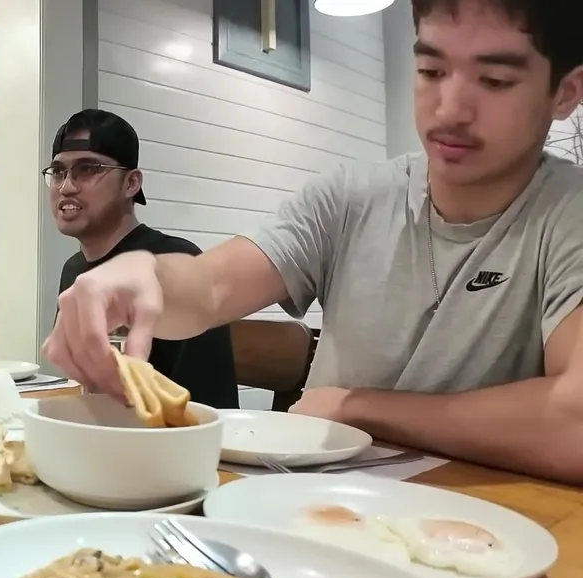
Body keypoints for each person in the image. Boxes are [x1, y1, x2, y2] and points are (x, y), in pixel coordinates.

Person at [44, 0, 583, 484]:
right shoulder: (350, 197)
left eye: (494, 80)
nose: (449, 109)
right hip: (314, 508)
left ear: (565, 93)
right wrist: (142, 275)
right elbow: (208, 287)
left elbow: (573, 421)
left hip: (493, 530)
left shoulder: (567, 213)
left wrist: (357, 407)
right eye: (431, 71)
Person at [46, 109, 238, 408]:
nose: (66, 186)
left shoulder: (175, 263)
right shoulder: (74, 270)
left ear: (131, 183)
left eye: (88, 169)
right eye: (58, 172)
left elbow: (209, 407)